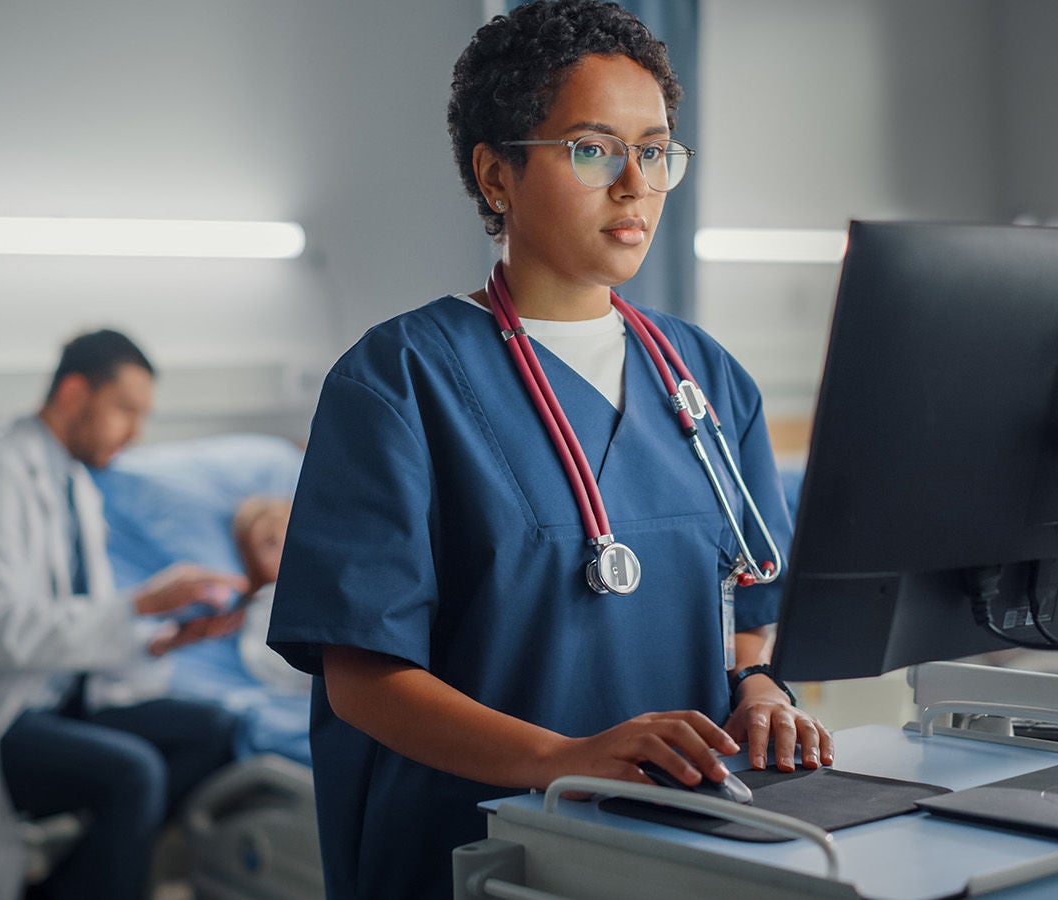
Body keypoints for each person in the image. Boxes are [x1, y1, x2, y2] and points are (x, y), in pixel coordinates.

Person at [267, 3, 833, 896]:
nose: (634, 183)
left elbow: (751, 612)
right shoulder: (398, 380)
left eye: (654, 152)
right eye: (594, 148)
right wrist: (565, 758)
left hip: (677, 846)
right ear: (496, 174)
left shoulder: (708, 378)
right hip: (475, 859)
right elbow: (364, 681)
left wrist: (760, 692)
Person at [0, 329, 249, 900]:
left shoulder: (76, 485)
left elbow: (84, 623)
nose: (135, 433)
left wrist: (163, 640)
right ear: (76, 393)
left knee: (216, 730)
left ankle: (73, 885)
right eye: (126, 410)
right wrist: (142, 602)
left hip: (64, 700)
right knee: (132, 773)